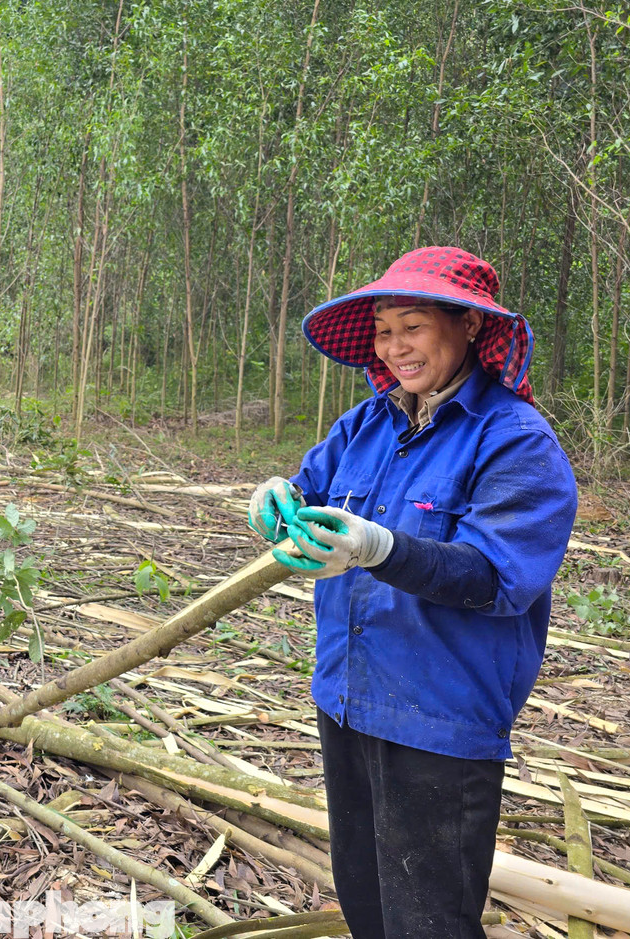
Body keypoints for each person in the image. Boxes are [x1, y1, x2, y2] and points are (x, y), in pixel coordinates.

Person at [247, 247, 577, 938]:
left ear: (471, 327)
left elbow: (493, 575)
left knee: (429, 921)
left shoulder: (517, 442)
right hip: (344, 696)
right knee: (366, 902)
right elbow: (307, 490)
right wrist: (277, 502)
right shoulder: (366, 425)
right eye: (384, 330)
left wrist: (378, 547)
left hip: (439, 721)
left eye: (414, 326)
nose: (395, 347)